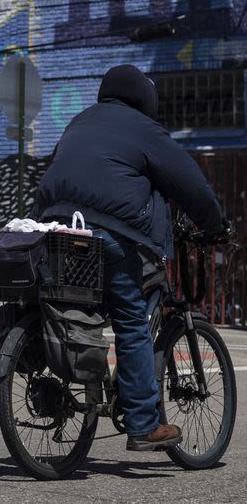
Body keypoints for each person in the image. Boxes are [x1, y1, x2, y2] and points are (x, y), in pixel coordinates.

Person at [32, 64, 227, 452]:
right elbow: (190, 183)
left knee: (73, 306)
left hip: (56, 229)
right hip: (110, 234)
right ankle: (143, 423)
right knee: (131, 319)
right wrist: (216, 225)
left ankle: (79, 387)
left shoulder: (79, 122)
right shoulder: (142, 129)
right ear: (143, 98)